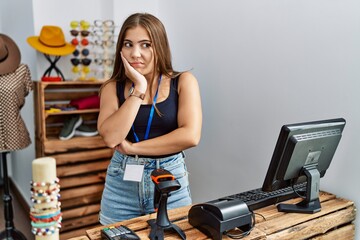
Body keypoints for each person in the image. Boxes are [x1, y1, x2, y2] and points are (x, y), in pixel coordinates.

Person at [97, 13, 202, 224]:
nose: (135, 53)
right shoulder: (112, 87)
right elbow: (110, 137)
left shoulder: (183, 81)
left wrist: (134, 149)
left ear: (159, 47)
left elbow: (190, 136)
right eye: (128, 44)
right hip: (122, 183)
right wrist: (139, 89)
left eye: (145, 45)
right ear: (121, 49)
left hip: (170, 179)